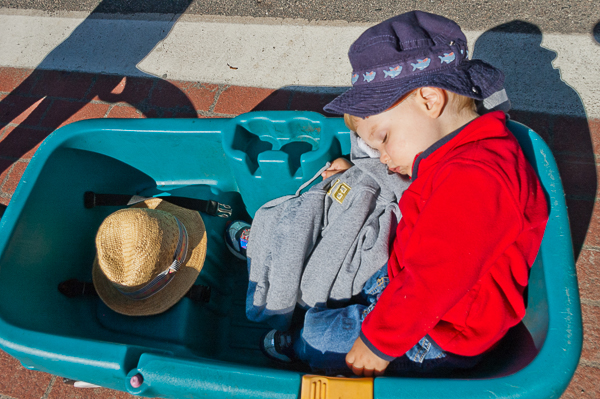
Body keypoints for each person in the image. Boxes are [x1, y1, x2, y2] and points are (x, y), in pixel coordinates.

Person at [227, 10, 548, 377]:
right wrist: (359, 170)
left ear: (430, 100)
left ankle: (302, 348)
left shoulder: (477, 177)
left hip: (443, 330)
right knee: (330, 286)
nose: (381, 155)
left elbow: (434, 278)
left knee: (321, 336)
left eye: (382, 138)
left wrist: (380, 343)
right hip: (410, 287)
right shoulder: (458, 150)